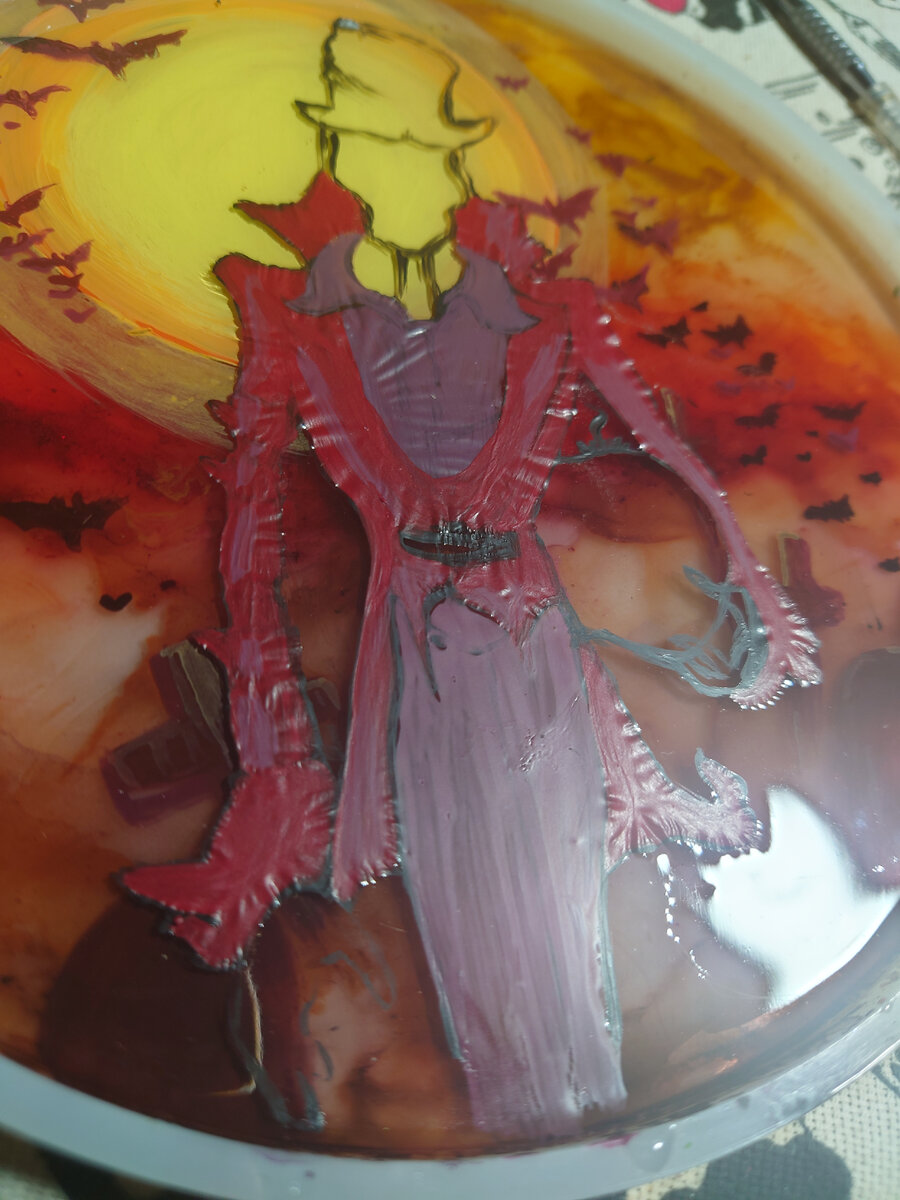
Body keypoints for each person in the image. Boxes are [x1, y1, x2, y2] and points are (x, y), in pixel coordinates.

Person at [119, 19, 820, 1139]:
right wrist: (275, 754)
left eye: (410, 139)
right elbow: (246, 529)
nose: (385, 163)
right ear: (335, 149)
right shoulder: (282, 306)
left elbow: (676, 455)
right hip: (412, 658)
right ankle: (533, 1133)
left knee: (563, 931)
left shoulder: (554, 306)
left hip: (541, 644)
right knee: (470, 924)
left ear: (457, 153)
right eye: (359, 137)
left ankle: (581, 1126)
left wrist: (762, 607)